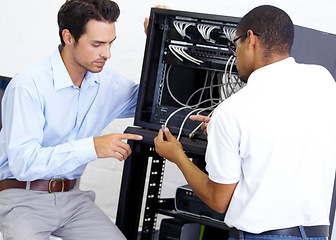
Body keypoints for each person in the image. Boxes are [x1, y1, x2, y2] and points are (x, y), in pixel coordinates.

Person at [154, 5, 336, 240]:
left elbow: (218, 201)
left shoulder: (231, 112)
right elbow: (286, 127)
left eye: (234, 45)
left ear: (250, 39)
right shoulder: (323, 80)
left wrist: (176, 155)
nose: (234, 54)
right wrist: (228, 135)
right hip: (318, 235)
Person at [0, 0, 144, 239]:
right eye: (97, 44)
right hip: (21, 199)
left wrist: (162, 45)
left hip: (73, 200)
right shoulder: (29, 85)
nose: (107, 54)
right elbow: (24, 163)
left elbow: (150, 102)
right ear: (68, 37)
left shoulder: (105, 80)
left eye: (110, 43)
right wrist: (93, 147)